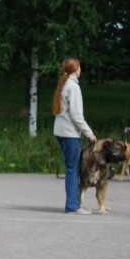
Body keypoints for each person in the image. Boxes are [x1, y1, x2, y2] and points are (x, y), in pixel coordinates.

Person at [53, 57, 97, 215]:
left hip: (60, 131)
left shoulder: (64, 84)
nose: (81, 69)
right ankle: (72, 205)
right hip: (70, 133)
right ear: (75, 69)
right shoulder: (74, 87)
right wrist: (89, 133)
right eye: (79, 67)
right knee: (73, 170)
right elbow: (77, 115)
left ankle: (75, 203)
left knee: (72, 168)